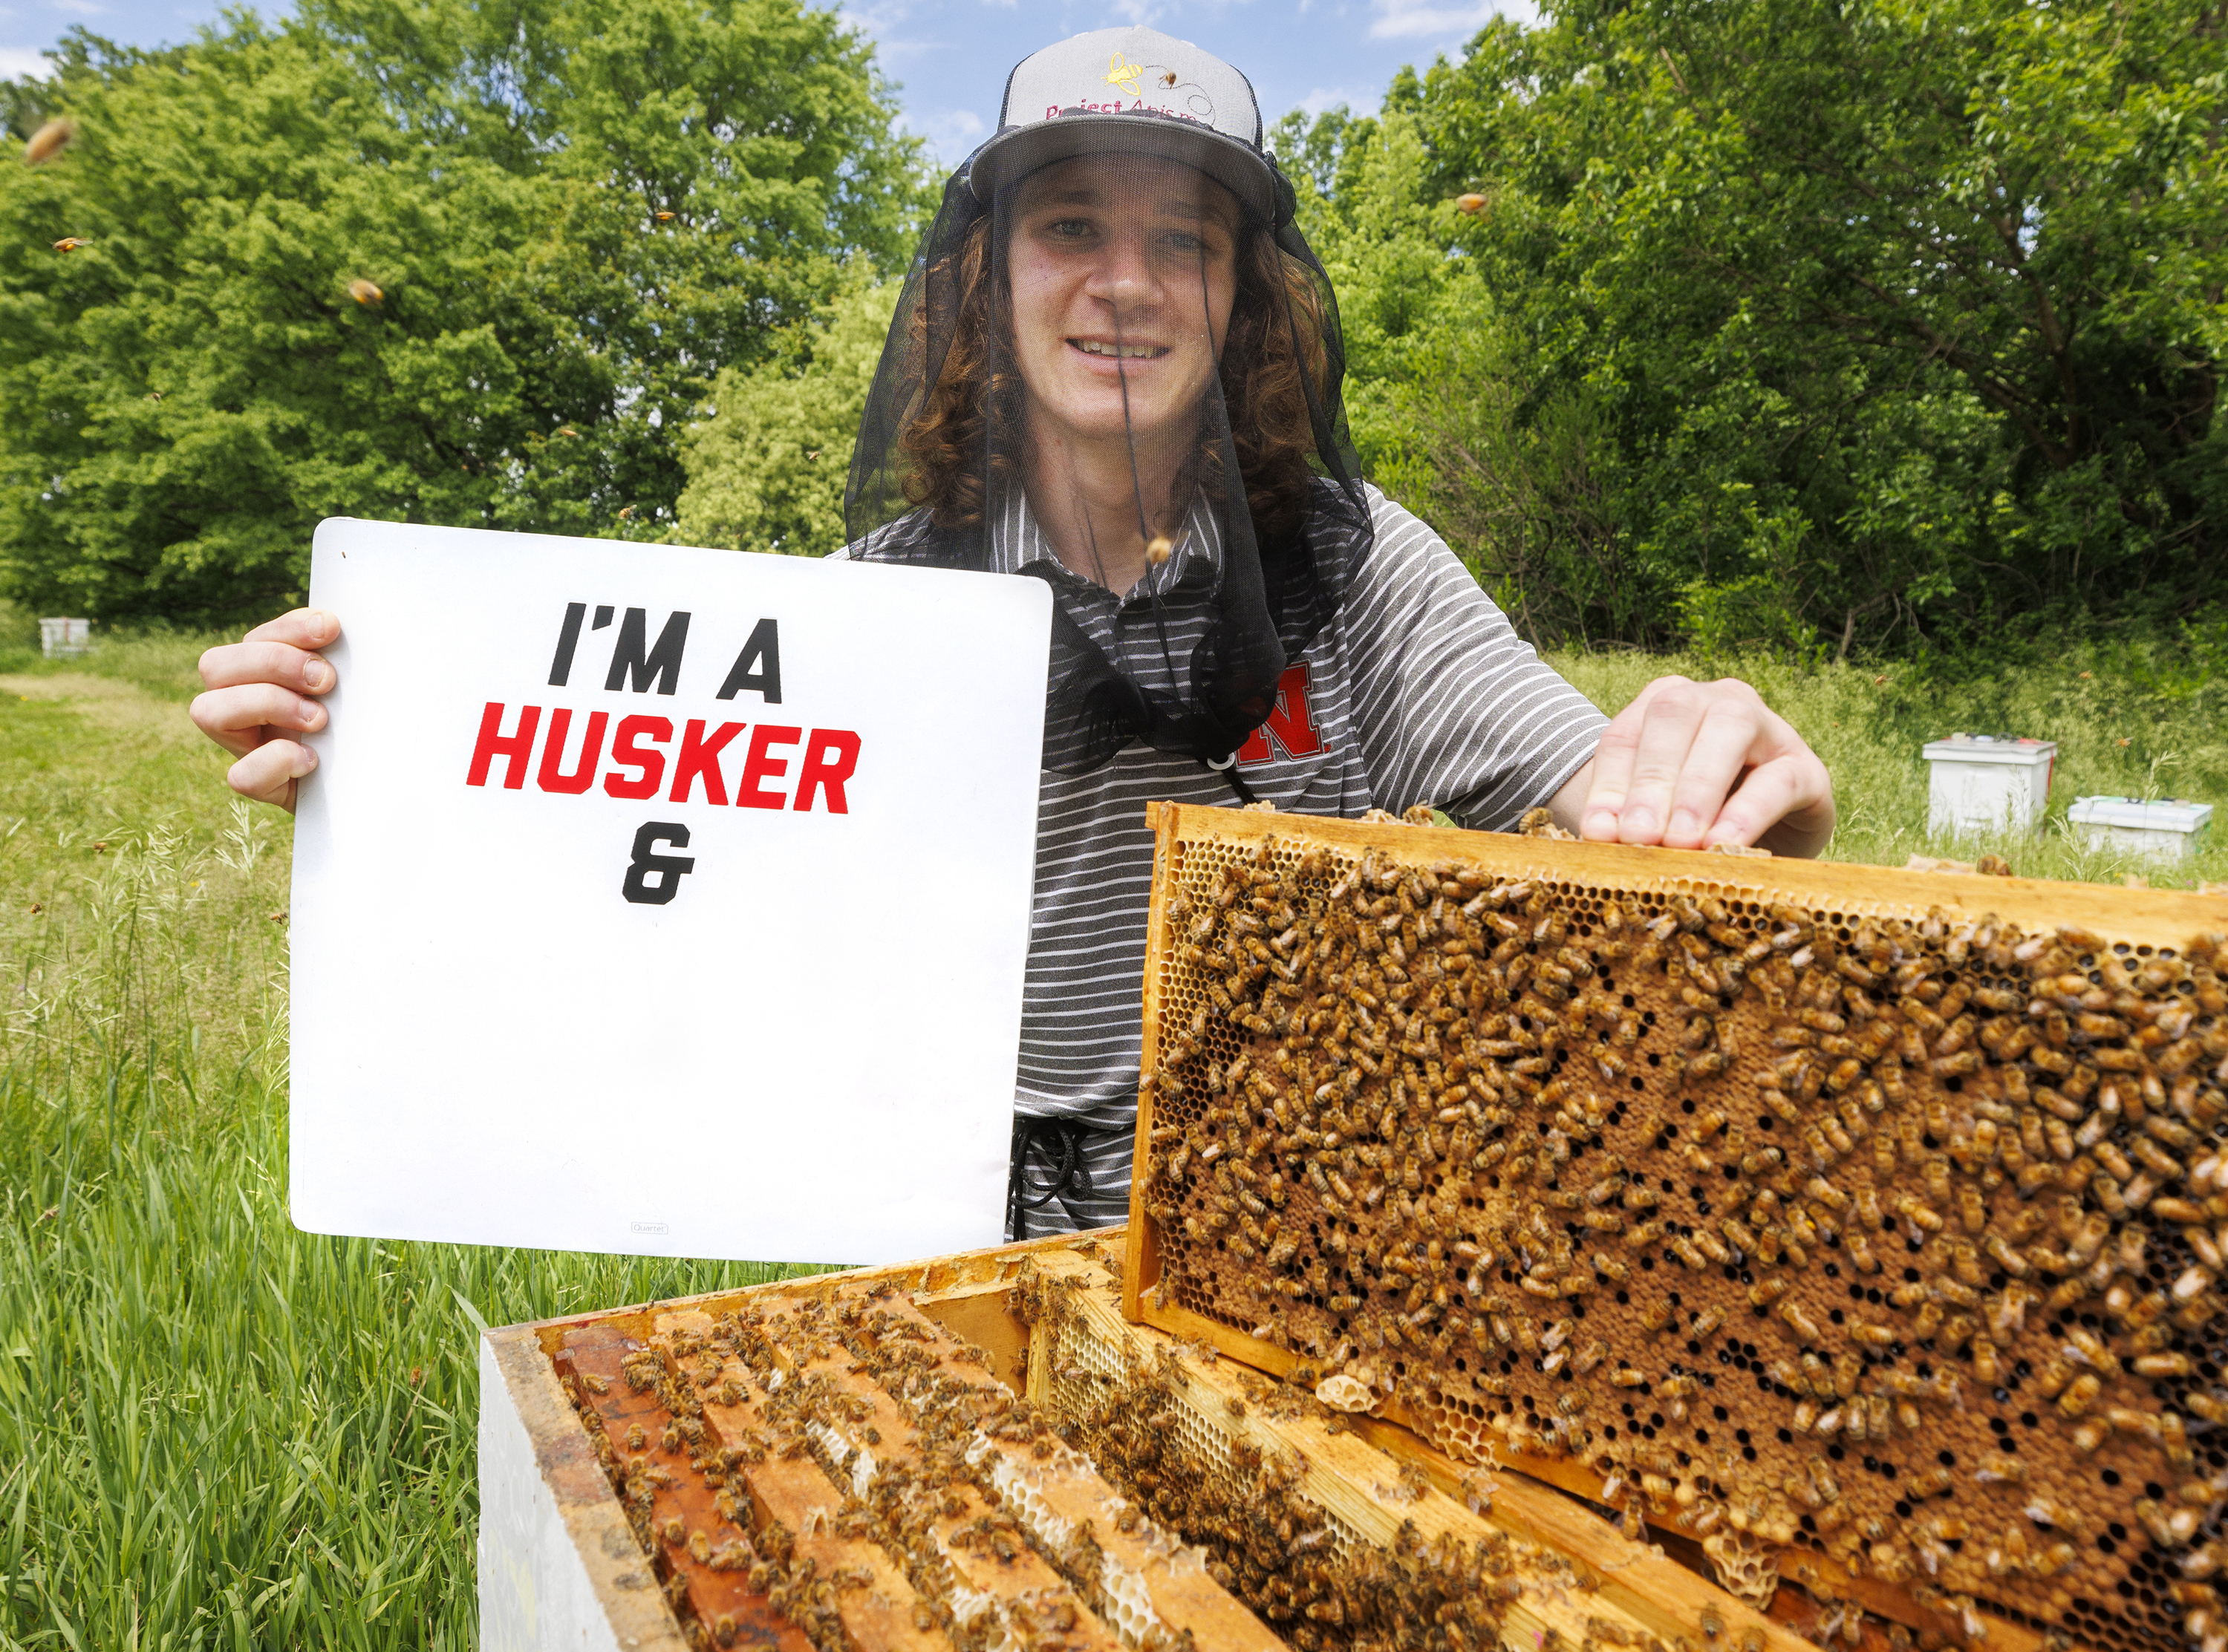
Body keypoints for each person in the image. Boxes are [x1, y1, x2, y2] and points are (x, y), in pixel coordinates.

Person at [192, 26, 1833, 1241]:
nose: (1126, 282)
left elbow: (1600, 833)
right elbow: (651, 894)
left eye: (1180, 239)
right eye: (1072, 230)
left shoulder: (1366, 571)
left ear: (1243, 296)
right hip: (928, 1224)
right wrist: (386, 775)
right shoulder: (868, 605)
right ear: (986, 281)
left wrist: (1720, 791)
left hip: (1285, 1227)